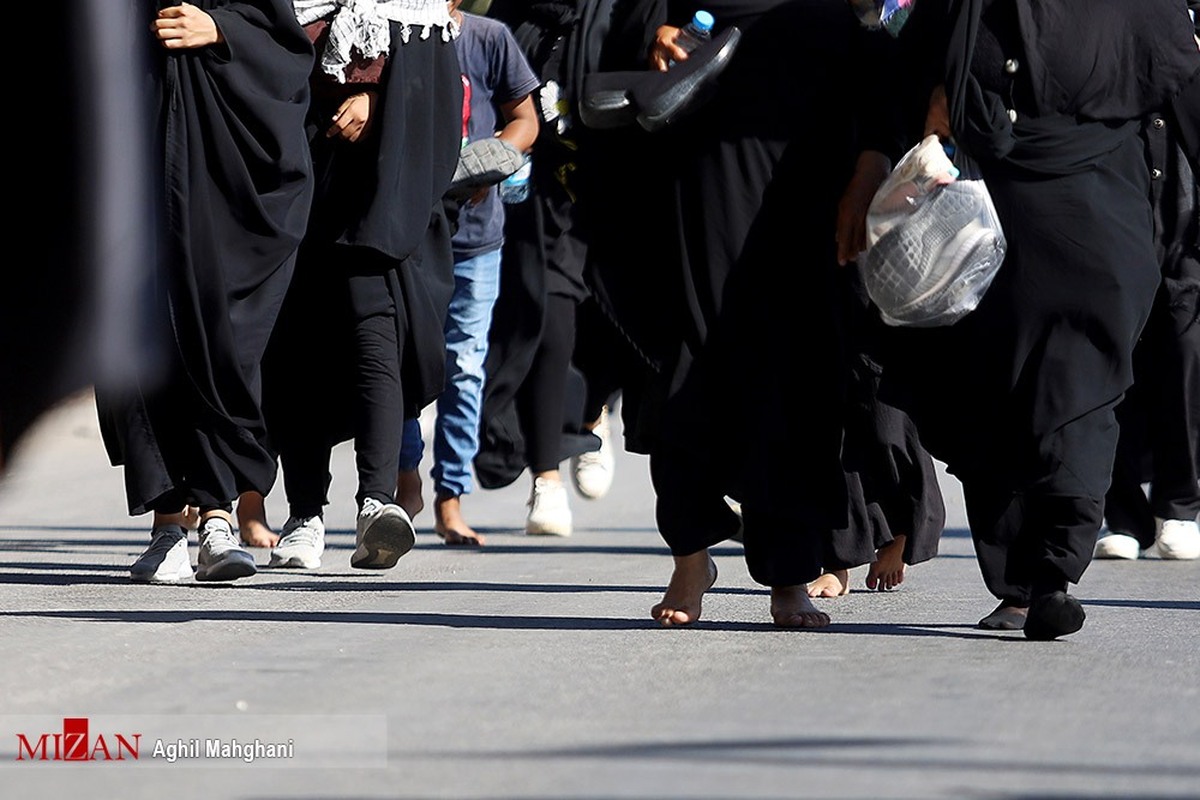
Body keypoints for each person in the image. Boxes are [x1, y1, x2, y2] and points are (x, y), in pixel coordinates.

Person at [583, 0, 908, 628]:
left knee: (793, 389)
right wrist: (654, 36)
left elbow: (882, 87)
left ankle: (787, 578)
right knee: (684, 373)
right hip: (694, 197)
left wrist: (867, 179)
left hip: (806, 209)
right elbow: (617, 28)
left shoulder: (835, 16)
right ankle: (689, 557)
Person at [881, 0, 1200, 638]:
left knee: (1045, 394)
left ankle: (1035, 583)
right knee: (1055, 396)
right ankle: (1041, 578)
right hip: (1043, 223)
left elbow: (906, 74)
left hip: (1025, 220)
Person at [97, 0, 313, 583]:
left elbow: (287, 47)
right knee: (140, 336)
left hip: (222, 174)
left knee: (214, 336)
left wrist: (221, 29)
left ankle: (217, 518)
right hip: (132, 154)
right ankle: (169, 523)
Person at [262, 0, 462, 570]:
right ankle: (304, 514)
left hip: (378, 184)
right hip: (294, 163)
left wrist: (378, 90)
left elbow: (428, 61)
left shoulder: (413, 11)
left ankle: (377, 502)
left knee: (374, 332)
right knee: (295, 347)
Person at [396, 0, 541, 547]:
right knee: (405, 358)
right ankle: (404, 476)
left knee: (465, 364)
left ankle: (450, 497)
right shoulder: (394, 33)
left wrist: (494, 157)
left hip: (476, 238)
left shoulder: (488, 37)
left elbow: (525, 119)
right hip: (407, 230)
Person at [1094, 100, 1200, 562]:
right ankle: (1124, 515)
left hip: (1188, 226)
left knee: (1185, 350)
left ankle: (1179, 505)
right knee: (1115, 355)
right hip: (1119, 218)